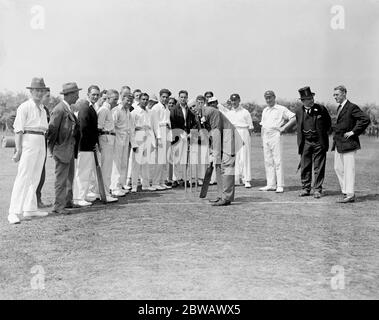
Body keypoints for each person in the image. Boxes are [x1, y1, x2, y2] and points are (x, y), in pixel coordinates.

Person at [8, 78, 50, 224]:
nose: (39, 93)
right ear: (31, 91)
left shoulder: (43, 109)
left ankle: (30, 208)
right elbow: (18, 130)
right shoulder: (24, 107)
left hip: (41, 140)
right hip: (29, 140)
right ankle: (13, 212)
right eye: (36, 90)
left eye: (41, 90)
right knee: (24, 176)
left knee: (36, 175)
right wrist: (18, 150)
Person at [192, 93, 242, 206]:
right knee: (219, 168)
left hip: (229, 139)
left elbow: (216, 132)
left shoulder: (211, 112)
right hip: (219, 140)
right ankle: (221, 195)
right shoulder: (198, 116)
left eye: (194, 106)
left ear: (200, 104)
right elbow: (205, 134)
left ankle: (227, 198)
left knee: (227, 169)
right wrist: (211, 151)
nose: (193, 109)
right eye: (191, 108)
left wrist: (215, 154)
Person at [332, 85, 370, 203]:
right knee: (338, 167)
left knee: (349, 169)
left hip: (349, 143)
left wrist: (353, 132)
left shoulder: (352, 107)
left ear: (344, 93)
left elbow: (365, 119)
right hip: (339, 143)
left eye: (337, 94)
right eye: (334, 95)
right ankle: (346, 190)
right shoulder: (339, 108)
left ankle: (350, 194)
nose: (335, 97)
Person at [47, 82, 81, 215]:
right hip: (62, 149)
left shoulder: (67, 108)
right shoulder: (60, 109)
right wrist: (54, 148)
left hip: (69, 149)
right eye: (76, 94)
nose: (78, 97)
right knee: (61, 179)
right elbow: (52, 130)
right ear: (70, 95)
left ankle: (67, 201)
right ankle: (58, 206)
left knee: (69, 177)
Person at [295, 86, 331, 198]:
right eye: (308, 98)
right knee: (305, 166)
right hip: (305, 142)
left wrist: (321, 136)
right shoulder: (298, 111)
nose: (312, 100)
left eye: (312, 97)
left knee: (318, 167)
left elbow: (328, 124)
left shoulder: (321, 109)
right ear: (303, 101)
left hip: (319, 142)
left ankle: (317, 190)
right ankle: (306, 188)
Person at [259, 90, 296, 193]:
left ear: (274, 97)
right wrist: (262, 139)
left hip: (276, 135)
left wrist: (284, 128)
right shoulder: (265, 110)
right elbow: (262, 126)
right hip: (266, 136)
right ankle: (271, 184)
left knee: (277, 161)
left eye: (270, 97)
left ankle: (280, 185)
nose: (268, 100)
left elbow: (293, 117)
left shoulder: (281, 109)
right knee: (268, 161)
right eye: (266, 98)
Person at [73, 85, 101, 206]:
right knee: (82, 173)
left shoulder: (91, 108)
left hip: (88, 146)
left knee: (86, 173)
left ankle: (83, 195)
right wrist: (89, 143)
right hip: (84, 146)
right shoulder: (85, 108)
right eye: (93, 94)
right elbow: (83, 129)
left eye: (97, 95)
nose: (95, 96)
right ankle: (79, 198)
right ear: (88, 95)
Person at [94, 89, 119, 202]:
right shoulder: (104, 110)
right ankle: (104, 192)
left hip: (109, 138)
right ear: (108, 98)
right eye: (115, 99)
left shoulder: (108, 110)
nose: (116, 101)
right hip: (106, 138)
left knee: (107, 167)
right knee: (106, 168)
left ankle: (103, 191)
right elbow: (99, 127)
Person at [226, 94, 254, 188]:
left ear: (239, 100)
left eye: (235, 100)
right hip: (233, 133)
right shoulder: (229, 113)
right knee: (235, 157)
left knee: (244, 157)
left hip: (243, 132)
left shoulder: (245, 112)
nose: (234, 102)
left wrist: (247, 138)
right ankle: (236, 179)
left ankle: (246, 179)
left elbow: (250, 127)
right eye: (232, 100)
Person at [170, 90, 196, 187]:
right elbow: (173, 123)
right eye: (181, 97)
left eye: (185, 97)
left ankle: (185, 178)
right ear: (179, 97)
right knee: (176, 158)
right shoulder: (174, 109)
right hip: (177, 136)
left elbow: (193, 123)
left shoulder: (189, 110)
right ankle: (176, 179)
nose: (183, 99)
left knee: (185, 158)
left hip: (187, 135)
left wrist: (190, 133)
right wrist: (180, 133)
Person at [130, 93, 156, 192]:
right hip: (138, 137)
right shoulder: (134, 112)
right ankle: (134, 185)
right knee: (136, 163)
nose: (145, 101)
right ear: (139, 100)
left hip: (147, 138)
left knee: (146, 162)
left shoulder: (149, 112)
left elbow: (151, 127)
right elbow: (131, 129)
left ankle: (145, 184)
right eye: (143, 99)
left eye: (146, 99)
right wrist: (133, 143)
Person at [110, 89, 134, 196]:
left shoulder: (128, 111)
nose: (129, 103)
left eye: (131, 101)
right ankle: (114, 187)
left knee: (124, 163)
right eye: (127, 100)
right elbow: (112, 126)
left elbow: (129, 128)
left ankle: (120, 185)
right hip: (117, 139)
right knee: (117, 164)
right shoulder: (116, 110)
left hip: (126, 139)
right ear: (122, 98)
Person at [150, 89, 172, 190]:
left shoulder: (166, 108)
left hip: (167, 132)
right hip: (161, 132)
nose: (165, 99)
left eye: (167, 97)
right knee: (159, 160)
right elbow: (155, 124)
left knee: (165, 159)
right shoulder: (156, 108)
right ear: (160, 97)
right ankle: (155, 182)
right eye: (163, 97)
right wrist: (158, 137)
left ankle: (162, 181)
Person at [36, 88, 52, 208]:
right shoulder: (30, 107)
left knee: (41, 172)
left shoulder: (45, 109)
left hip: (43, 144)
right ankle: (32, 201)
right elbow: (13, 120)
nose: (49, 98)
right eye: (47, 96)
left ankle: (38, 199)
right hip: (33, 144)